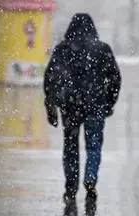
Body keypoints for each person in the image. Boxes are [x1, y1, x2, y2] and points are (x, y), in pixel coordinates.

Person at [44, 13, 121, 201]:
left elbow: (50, 79)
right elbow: (115, 79)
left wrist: (52, 105)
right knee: (94, 147)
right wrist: (108, 103)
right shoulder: (102, 49)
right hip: (96, 106)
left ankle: (71, 187)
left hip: (70, 107)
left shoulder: (63, 49)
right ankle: (90, 177)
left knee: (71, 148)